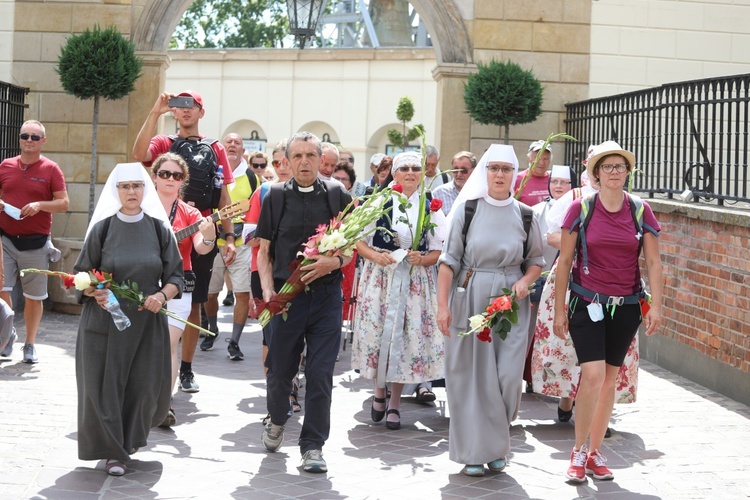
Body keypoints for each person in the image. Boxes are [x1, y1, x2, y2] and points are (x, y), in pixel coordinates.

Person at [554, 141, 663, 483]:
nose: (614, 172)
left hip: (627, 306)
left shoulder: (640, 210)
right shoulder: (581, 209)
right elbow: (565, 262)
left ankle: (594, 452)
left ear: (628, 172)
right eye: (607, 167)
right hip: (586, 304)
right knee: (594, 376)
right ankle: (576, 452)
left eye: (620, 167)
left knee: (610, 381)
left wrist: (656, 305)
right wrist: (559, 309)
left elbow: (654, 261)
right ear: (596, 174)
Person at [436, 144, 544, 477]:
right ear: (486, 173)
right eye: (494, 168)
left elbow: (536, 261)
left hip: (511, 304)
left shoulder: (526, 214)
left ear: (514, 174)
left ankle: (495, 442)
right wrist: (442, 306)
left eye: (506, 169)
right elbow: (448, 261)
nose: (499, 175)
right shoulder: (468, 210)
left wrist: (525, 280)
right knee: (470, 378)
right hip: (470, 298)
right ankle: (475, 452)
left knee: (507, 378)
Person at [75, 162, 183, 476]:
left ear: (144, 189)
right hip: (106, 321)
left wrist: (161, 296)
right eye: (125, 186)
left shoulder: (158, 229)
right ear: (116, 191)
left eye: (137, 185)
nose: (132, 192)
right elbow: (82, 272)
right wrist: (93, 289)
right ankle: (114, 452)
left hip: (146, 323)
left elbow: (175, 275)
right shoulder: (103, 228)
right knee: (105, 386)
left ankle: (129, 443)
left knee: (143, 386)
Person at [256, 132, 353, 473]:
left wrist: (334, 263)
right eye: (296, 156)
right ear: (285, 161)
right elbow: (264, 251)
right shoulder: (276, 196)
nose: (304, 162)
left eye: (310, 155)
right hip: (286, 298)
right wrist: (268, 290)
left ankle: (312, 446)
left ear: (320, 158)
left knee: (321, 372)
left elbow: (350, 247)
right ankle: (278, 418)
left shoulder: (337, 194)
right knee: (280, 370)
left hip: (326, 297)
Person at [132, 90, 236, 394]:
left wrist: (228, 236)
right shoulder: (165, 143)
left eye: (192, 105)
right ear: (174, 112)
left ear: (201, 112)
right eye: (179, 105)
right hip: (162, 231)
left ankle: (186, 369)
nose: (185, 110)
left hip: (199, 231)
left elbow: (225, 196)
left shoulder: (215, 148)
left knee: (193, 304)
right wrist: (155, 111)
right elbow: (138, 154)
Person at [351, 151, 447, 431]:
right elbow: (359, 240)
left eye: (415, 168)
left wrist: (424, 258)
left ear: (422, 173)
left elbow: (440, 248)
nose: (409, 173)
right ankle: (378, 392)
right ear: (394, 174)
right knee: (379, 334)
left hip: (415, 280)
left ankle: (394, 401)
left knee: (404, 339)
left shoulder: (431, 205)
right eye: (403, 168)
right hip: (381, 277)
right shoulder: (379, 201)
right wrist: (375, 256)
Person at [151, 153, 216, 427]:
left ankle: (164, 402)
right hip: (141, 283)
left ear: (183, 181)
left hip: (178, 284)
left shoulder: (190, 214)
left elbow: (201, 247)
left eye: (176, 176)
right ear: (154, 176)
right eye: (164, 173)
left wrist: (210, 233)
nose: (170, 179)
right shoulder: (140, 205)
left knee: (168, 343)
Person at [0, 120, 69, 363]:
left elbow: (64, 203)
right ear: (19, 139)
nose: (29, 140)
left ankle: (29, 344)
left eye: (35, 137)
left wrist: (40, 205)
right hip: (6, 240)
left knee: (34, 297)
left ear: (43, 141)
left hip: (36, 243)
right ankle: (7, 336)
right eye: (25, 136)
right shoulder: (6, 166)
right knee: (2, 291)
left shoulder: (51, 169)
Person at [245, 139, 301, 421]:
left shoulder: (309, 193)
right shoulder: (264, 192)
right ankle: (276, 396)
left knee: (295, 333)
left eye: (285, 162)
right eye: (275, 163)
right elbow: (248, 236)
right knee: (270, 335)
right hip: (263, 271)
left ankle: (291, 387)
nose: (281, 168)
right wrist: (269, 234)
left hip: (295, 272)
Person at [201, 134, 260, 360]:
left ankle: (234, 341)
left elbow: (258, 208)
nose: (232, 145)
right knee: (210, 293)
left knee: (242, 294)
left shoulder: (252, 177)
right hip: (214, 242)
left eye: (237, 143)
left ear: (243, 149)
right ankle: (212, 329)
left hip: (242, 244)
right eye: (228, 142)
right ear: (221, 149)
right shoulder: (213, 174)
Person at [521, 165, 576, 392]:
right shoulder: (535, 211)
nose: (559, 186)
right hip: (538, 276)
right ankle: (530, 375)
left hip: (566, 279)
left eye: (564, 182)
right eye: (555, 182)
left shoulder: (580, 207)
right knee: (532, 329)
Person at [514, 140, 553, 206]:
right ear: (529, 158)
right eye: (537, 158)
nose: (541, 163)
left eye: (545, 159)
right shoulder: (517, 180)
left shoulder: (555, 180)